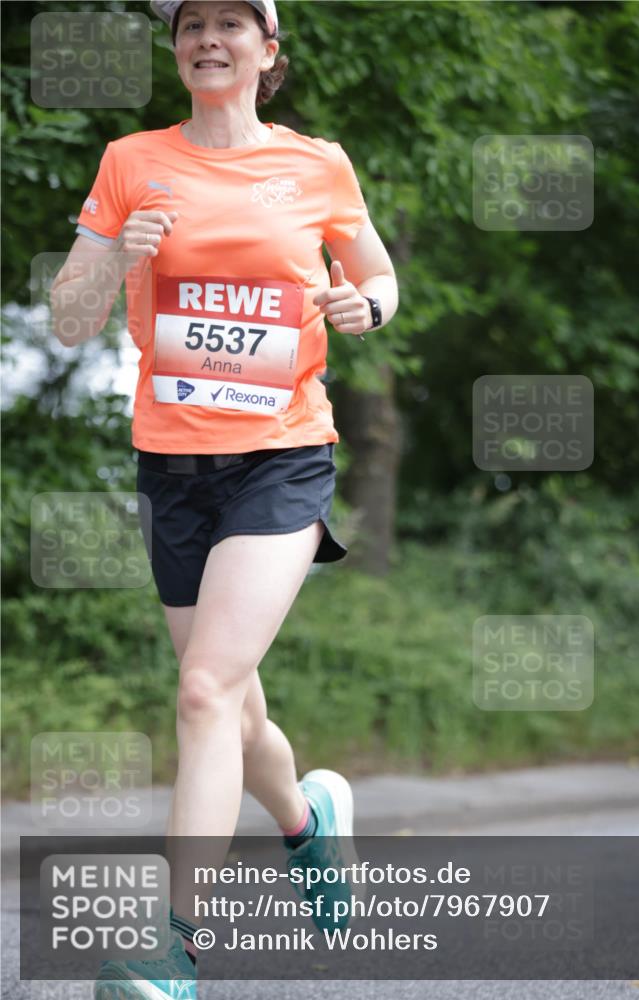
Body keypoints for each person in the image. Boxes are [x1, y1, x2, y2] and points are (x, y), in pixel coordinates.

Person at [50, 1, 399, 997]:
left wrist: (362, 304)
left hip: (281, 455)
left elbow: (376, 275)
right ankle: (308, 824)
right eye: (190, 22)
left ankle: (175, 946)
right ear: (175, 50)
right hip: (171, 463)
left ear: (267, 51)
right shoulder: (131, 160)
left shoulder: (316, 163)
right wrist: (121, 252)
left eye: (231, 23)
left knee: (202, 689)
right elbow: (70, 319)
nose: (208, 35)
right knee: (231, 704)